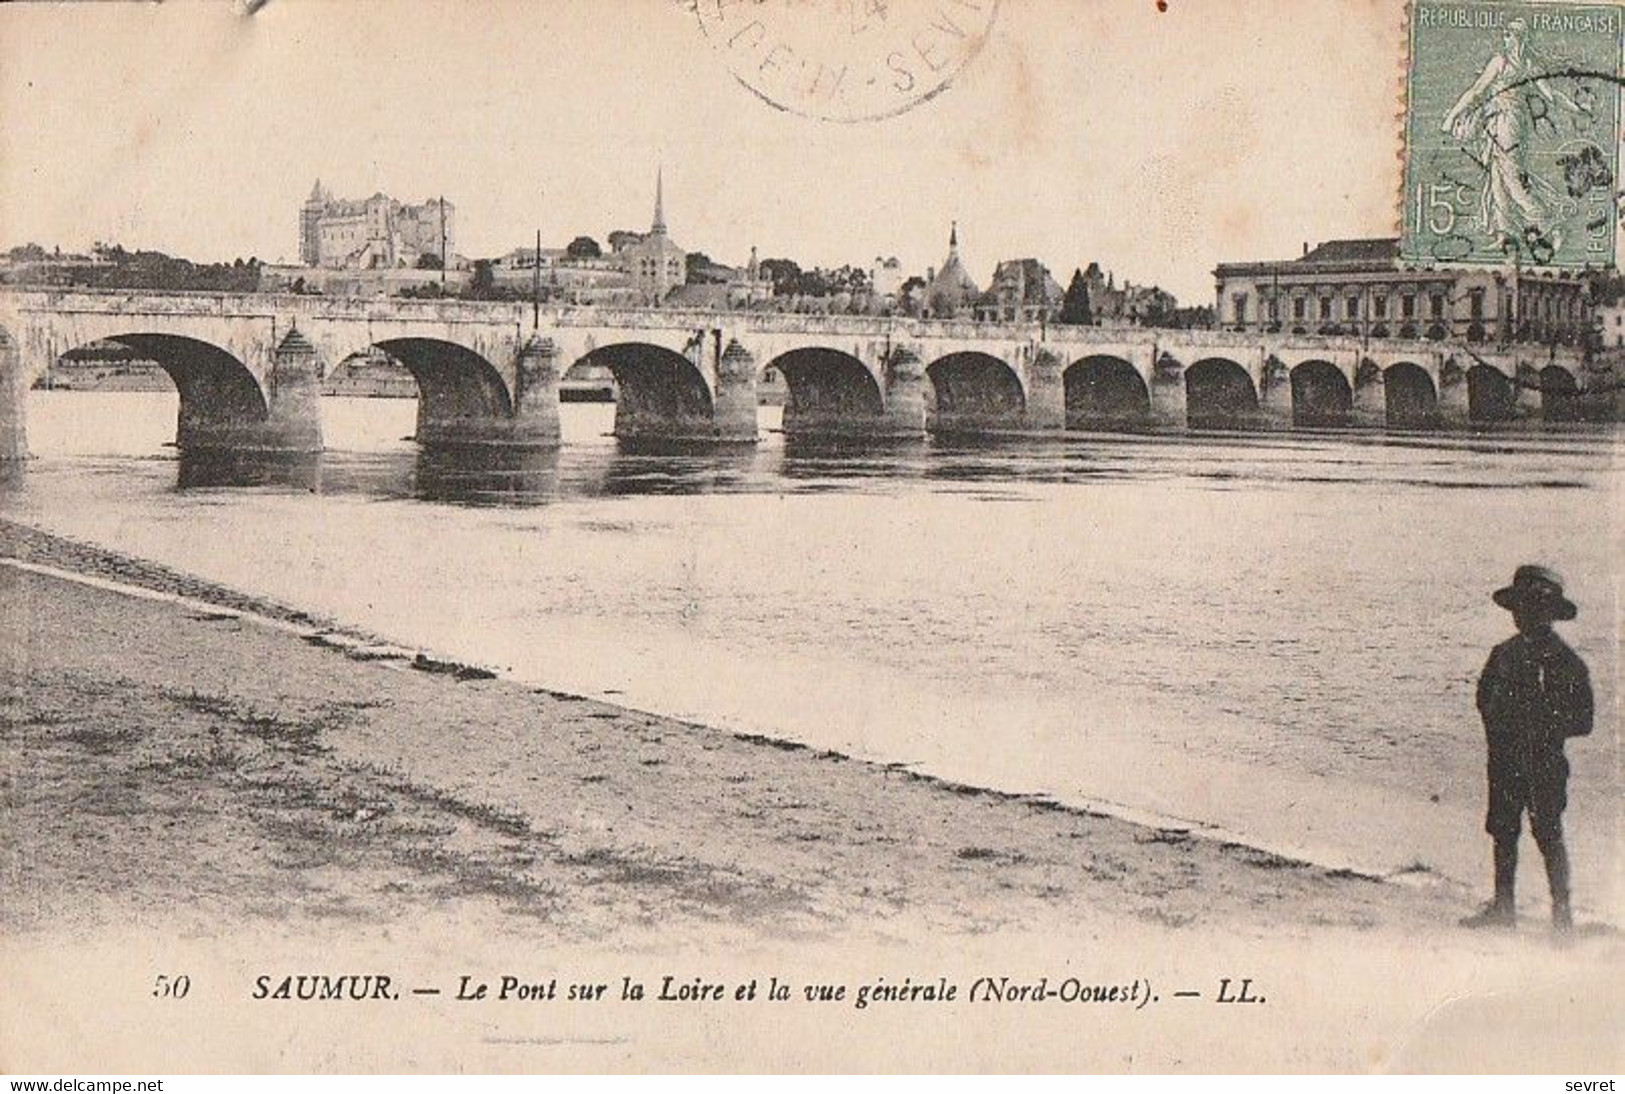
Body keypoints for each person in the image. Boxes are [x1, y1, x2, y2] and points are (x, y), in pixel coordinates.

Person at [1461, 565, 1593, 933]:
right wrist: (1501, 730)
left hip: (1544, 762)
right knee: (1503, 830)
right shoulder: (1502, 654)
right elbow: (1483, 699)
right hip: (1504, 759)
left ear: (1548, 614)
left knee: (1548, 832)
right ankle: (1504, 908)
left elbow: (1584, 721)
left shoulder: (1568, 664)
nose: (1523, 614)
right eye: (1520, 607)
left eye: (1532, 607)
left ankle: (1562, 917)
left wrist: (1542, 727)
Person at [1439, 18, 1588, 256]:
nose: (1505, 38)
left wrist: (1578, 110)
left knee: (1512, 178)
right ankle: (1504, 234)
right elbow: (1477, 90)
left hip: (1511, 123)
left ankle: (1550, 225)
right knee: (1497, 175)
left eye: (1509, 34)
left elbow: (1552, 96)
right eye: (1505, 34)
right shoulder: (1505, 62)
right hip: (1497, 120)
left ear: (1520, 38)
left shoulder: (1521, 64)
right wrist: (1454, 115)